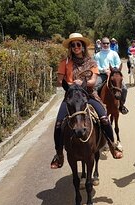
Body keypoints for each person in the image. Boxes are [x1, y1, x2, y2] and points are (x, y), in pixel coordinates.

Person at [50, 33, 123, 169]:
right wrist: (71, 84)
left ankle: (112, 146)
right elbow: (59, 81)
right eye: (73, 45)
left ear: (83, 47)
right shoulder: (64, 62)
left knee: (104, 119)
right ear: (70, 47)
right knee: (59, 124)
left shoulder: (91, 62)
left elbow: (93, 81)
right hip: (71, 97)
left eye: (78, 44)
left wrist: (82, 83)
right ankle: (59, 154)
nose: (76, 47)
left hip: (88, 95)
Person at [94, 37, 129, 114]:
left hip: (114, 74)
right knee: (94, 87)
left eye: (107, 43)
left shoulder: (114, 53)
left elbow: (118, 63)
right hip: (102, 75)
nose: (106, 45)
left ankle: (122, 105)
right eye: (104, 43)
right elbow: (96, 66)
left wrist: (113, 69)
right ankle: (96, 105)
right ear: (101, 44)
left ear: (110, 43)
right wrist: (104, 70)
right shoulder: (97, 55)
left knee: (124, 88)